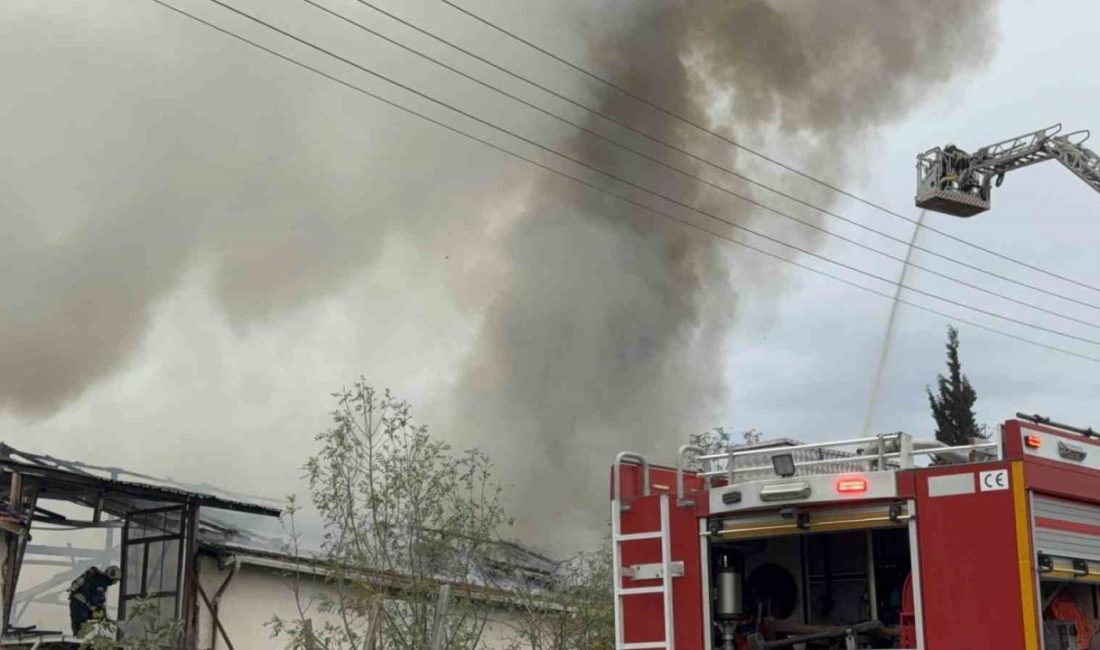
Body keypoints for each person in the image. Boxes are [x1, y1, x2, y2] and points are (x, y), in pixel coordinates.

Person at [68, 565, 121, 635]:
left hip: (78, 603)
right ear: (112, 576)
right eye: (116, 580)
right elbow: (97, 596)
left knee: (78, 625)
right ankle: (81, 639)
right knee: (81, 626)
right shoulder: (102, 582)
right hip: (80, 605)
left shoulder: (98, 579)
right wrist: (94, 606)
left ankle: (81, 637)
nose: (115, 583)